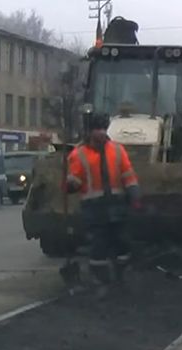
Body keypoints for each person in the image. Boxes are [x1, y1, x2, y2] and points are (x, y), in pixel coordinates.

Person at [66, 113, 140, 299]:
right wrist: (70, 184)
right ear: (90, 131)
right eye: (96, 129)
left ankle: (121, 277)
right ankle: (102, 282)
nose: (100, 132)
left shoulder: (117, 150)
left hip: (117, 206)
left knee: (122, 243)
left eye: (102, 128)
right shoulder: (78, 154)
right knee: (98, 248)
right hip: (94, 209)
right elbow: (74, 179)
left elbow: (127, 175)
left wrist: (135, 194)